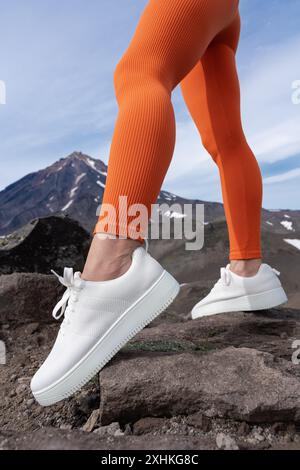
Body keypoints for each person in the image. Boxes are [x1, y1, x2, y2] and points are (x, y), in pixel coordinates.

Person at [30, 0, 287, 406]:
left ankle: (112, 264)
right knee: (225, 140)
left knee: (139, 72)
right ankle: (248, 270)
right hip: (227, 13)